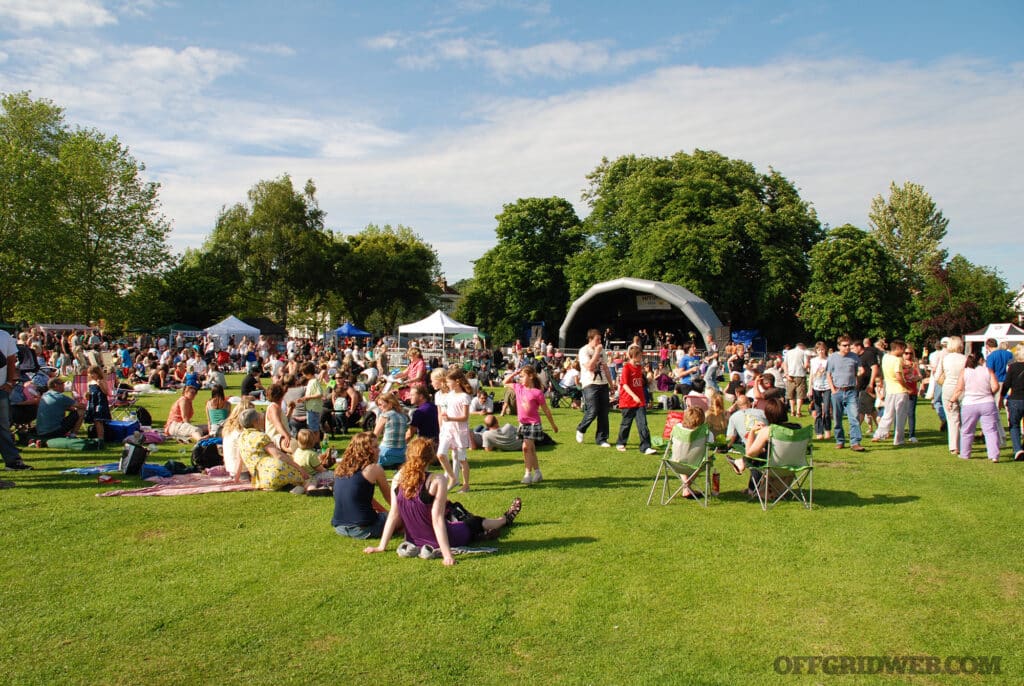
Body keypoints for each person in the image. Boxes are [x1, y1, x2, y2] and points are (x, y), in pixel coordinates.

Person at [363, 437, 522, 566]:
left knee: (457, 516)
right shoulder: (437, 480)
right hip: (439, 540)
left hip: (413, 540)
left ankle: (488, 531)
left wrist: (381, 547)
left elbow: (393, 515)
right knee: (473, 522)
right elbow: (437, 519)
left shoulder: (398, 479)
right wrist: (447, 555)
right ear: (430, 458)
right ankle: (504, 520)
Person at [504, 365, 558, 484]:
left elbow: (546, 410)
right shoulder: (518, 388)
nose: (520, 379)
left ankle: (527, 474)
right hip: (523, 424)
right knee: (529, 449)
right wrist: (515, 373)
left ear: (531, 376)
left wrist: (553, 425)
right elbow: (505, 381)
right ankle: (537, 472)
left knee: (526, 447)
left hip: (533, 424)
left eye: (522, 376)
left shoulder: (537, 393)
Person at [332, 432, 392, 539]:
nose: (379, 450)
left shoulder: (341, 468)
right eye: (375, 447)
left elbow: (359, 496)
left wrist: (385, 512)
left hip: (340, 528)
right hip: (364, 529)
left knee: (387, 516)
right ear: (366, 450)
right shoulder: (374, 469)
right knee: (399, 519)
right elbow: (391, 499)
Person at [234, 408, 309, 491]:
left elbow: (239, 460)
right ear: (255, 422)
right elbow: (278, 455)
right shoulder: (260, 436)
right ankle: (308, 488)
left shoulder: (241, 438)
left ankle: (286, 486)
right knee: (305, 479)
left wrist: (236, 480)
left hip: (260, 480)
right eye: (259, 417)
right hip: (275, 470)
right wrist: (300, 469)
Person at [951, 352, 1001, 462]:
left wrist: (952, 400)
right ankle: (994, 455)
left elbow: (959, 389)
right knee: (991, 430)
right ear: (981, 360)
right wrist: (989, 393)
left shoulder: (965, 372)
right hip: (987, 402)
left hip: (970, 403)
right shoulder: (988, 370)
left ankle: (965, 454)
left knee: (967, 430)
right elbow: (996, 386)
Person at [615, 344, 657, 455]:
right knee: (626, 424)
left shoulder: (639, 368)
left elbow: (639, 383)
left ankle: (646, 447)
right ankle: (621, 443)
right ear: (634, 356)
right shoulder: (626, 368)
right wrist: (633, 395)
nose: (641, 358)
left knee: (643, 424)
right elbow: (624, 384)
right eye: (640, 356)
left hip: (640, 401)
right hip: (627, 401)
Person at [826, 335, 866, 452]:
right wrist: (833, 390)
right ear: (839, 346)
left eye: (849, 345)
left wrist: (860, 372)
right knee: (837, 418)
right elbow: (828, 374)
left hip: (850, 391)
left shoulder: (854, 357)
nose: (847, 347)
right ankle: (840, 440)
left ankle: (855, 442)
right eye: (844, 345)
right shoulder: (832, 358)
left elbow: (860, 369)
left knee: (854, 417)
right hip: (837, 391)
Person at [575, 328, 613, 448]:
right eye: (597, 339)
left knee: (604, 412)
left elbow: (606, 368)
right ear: (590, 339)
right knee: (593, 410)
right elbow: (590, 367)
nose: (599, 341)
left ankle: (602, 438)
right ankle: (581, 428)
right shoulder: (584, 351)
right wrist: (597, 352)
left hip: (603, 383)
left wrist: (611, 385)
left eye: (600, 339)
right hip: (590, 383)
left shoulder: (602, 351)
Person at [438, 368, 473, 492]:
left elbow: (465, 417)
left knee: (462, 458)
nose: (447, 384)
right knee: (440, 454)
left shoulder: (464, 397)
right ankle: (453, 478)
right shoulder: (449, 395)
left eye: (449, 382)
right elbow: (445, 409)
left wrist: (450, 418)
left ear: (457, 382)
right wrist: (444, 418)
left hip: (459, 431)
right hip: (448, 430)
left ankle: (466, 484)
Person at [871, 340, 911, 446]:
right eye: (903, 349)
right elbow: (898, 377)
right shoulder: (897, 360)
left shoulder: (885, 357)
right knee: (900, 417)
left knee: (887, 415)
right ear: (898, 348)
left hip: (889, 391)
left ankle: (878, 434)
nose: (903, 352)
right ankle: (899, 440)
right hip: (900, 391)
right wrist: (907, 387)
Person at [939, 336, 967, 455]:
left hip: (948, 388)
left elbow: (937, 376)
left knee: (952, 418)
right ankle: (963, 444)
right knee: (964, 418)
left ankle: (954, 446)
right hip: (963, 388)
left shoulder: (945, 359)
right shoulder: (965, 358)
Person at [34, 377, 85, 441]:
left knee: (74, 411)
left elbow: (62, 407)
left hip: (41, 432)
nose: (64, 385)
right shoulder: (60, 396)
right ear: (56, 385)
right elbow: (82, 406)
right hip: (54, 432)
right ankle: (73, 435)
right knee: (81, 411)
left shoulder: (45, 395)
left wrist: (73, 409)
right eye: (62, 384)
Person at [373, 392, 409, 469]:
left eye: (381, 404)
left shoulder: (385, 416)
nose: (380, 407)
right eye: (378, 405)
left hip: (386, 454)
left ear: (390, 403)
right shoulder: (403, 416)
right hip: (402, 455)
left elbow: (374, 436)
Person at [223, 398, 253, 480]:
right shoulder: (241, 434)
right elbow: (240, 457)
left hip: (231, 469)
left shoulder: (229, 429)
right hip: (241, 472)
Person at [296, 362, 325, 443]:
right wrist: (304, 399)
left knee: (313, 428)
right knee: (312, 427)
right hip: (311, 407)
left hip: (314, 408)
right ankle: (316, 443)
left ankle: (316, 443)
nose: (303, 375)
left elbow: (320, 394)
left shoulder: (314, 381)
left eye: (303, 373)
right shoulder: (311, 381)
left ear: (308, 373)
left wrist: (306, 397)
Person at [808, 341, 832, 440]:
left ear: (825, 349)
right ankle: (819, 431)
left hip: (827, 386)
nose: (821, 351)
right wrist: (810, 388)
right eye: (818, 350)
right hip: (816, 386)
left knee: (826, 410)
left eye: (822, 349)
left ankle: (827, 430)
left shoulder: (829, 360)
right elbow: (811, 375)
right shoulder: (813, 361)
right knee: (818, 411)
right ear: (816, 351)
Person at [83, 365, 112, 443]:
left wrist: (101, 385)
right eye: (90, 373)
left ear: (98, 373)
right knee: (95, 420)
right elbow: (89, 395)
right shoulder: (89, 383)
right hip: (92, 402)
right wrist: (86, 395)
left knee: (98, 420)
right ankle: (96, 436)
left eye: (93, 373)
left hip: (100, 402)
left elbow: (106, 392)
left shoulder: (101, 381)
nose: (91, 375)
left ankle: (101, 438)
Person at [1005, 346, 1024, 462]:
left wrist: (1001, 396)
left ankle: (1018, 449)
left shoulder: (1012, 367)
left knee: (1014, 425)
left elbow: (1007, 384)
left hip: (1016, 399)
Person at [784, 342, 810, 417]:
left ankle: (792, 411)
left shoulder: (788, 352)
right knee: (800, 395)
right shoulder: (804, 353)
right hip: (800, 375)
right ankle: (798, 412)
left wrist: (786, 374)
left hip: (790, 375)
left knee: (791, 394)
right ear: (802, 347)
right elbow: (806, 365)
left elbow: (785, 364)